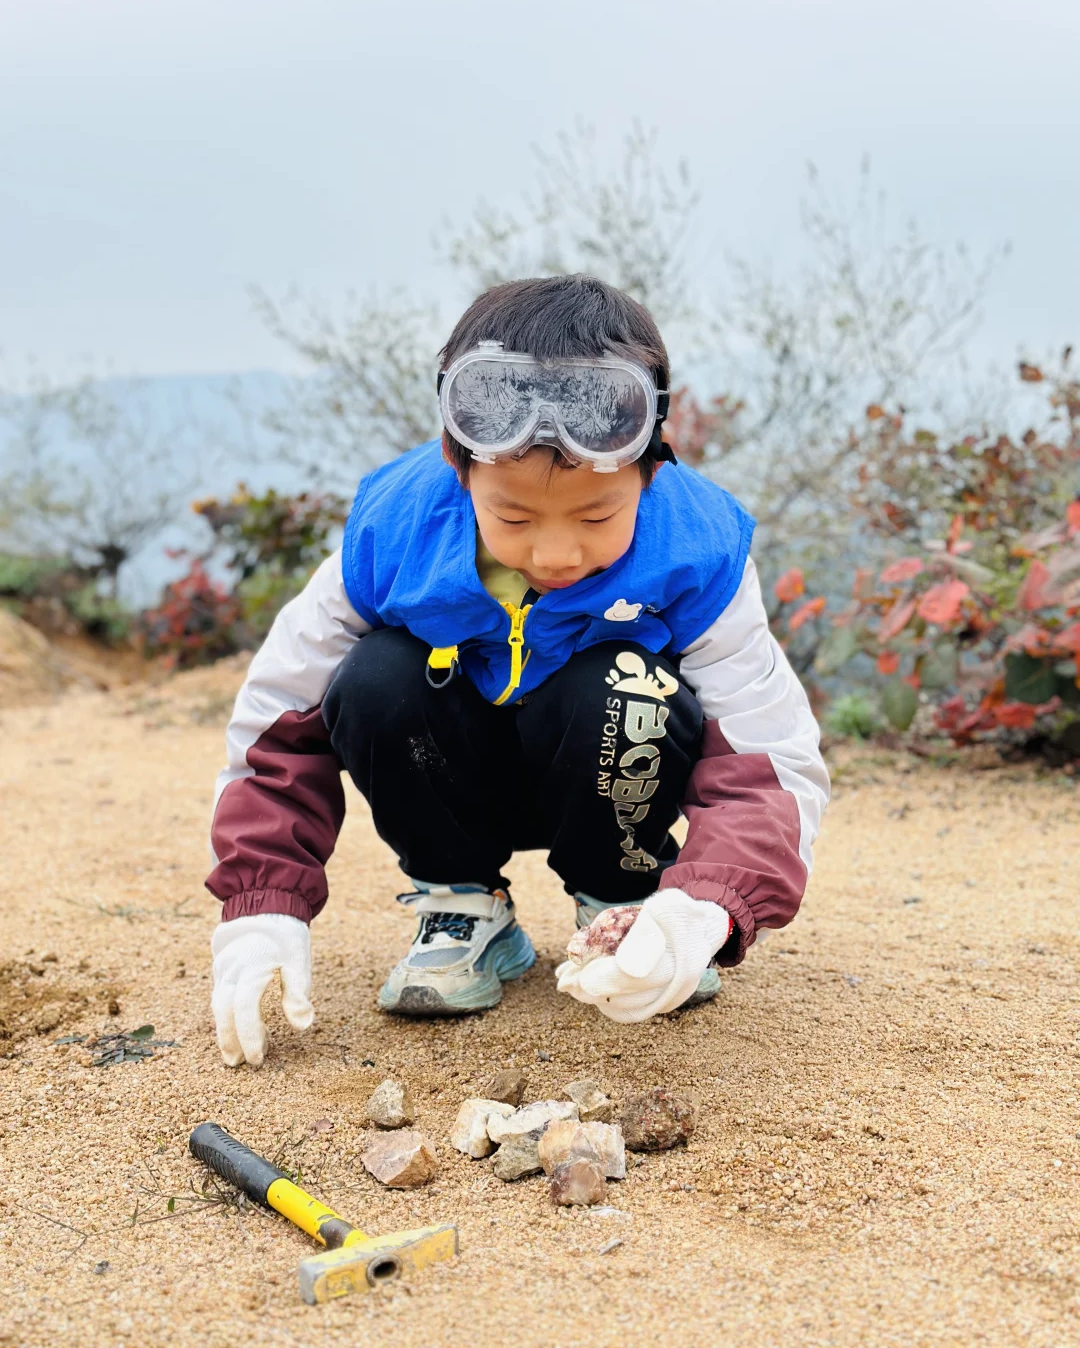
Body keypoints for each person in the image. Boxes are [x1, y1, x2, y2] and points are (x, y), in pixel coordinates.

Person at [207, 274, 829, 1067]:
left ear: (652, 466)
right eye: (513, 517)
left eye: (598, 516)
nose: (557, 553)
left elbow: (768, 755)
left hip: (609, 776)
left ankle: (628, 905)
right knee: (370, 679)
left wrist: (705, 909)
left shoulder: (698, 550)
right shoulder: (395, 531)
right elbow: (279, 720)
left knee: (623, 686)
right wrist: (261, 902)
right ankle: (464, 907)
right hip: (448, 776)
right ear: (457, 468)